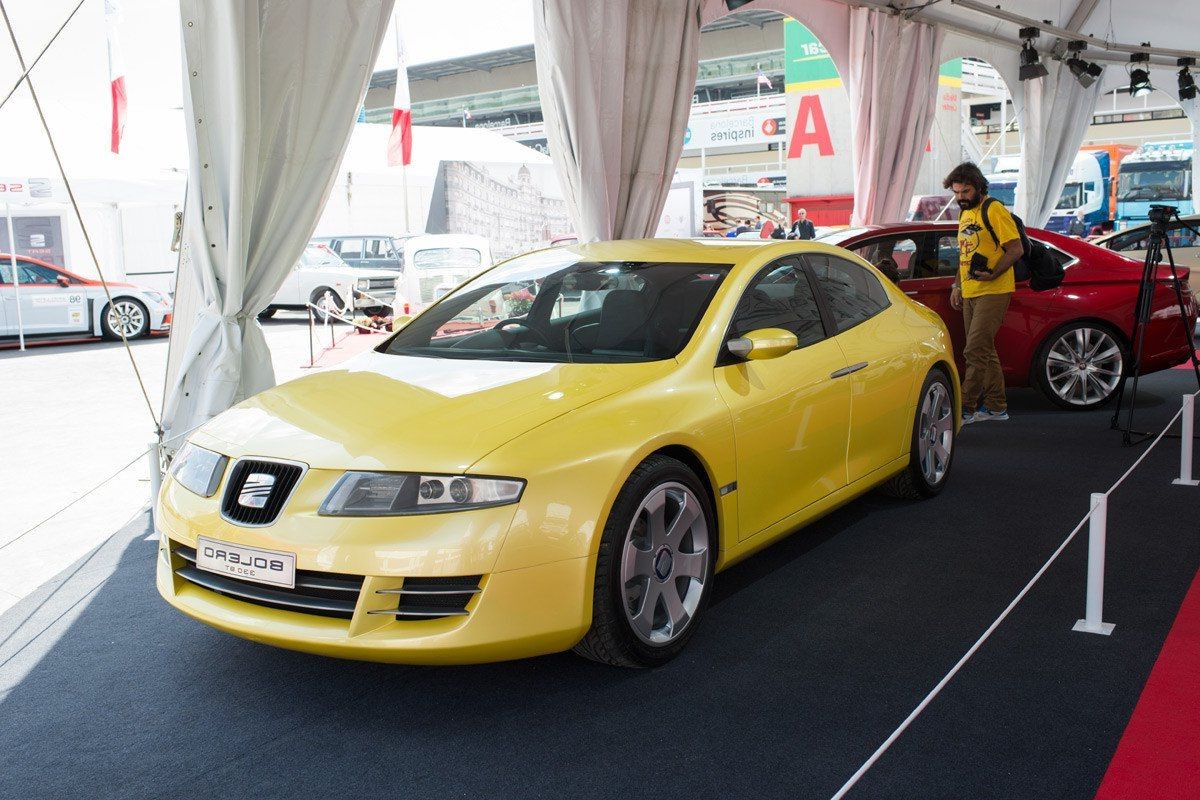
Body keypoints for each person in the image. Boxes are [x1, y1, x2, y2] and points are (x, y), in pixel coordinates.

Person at [945, 161, 1024, 424]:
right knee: (984, 351)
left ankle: (965, 408)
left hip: (994, 290)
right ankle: (996, 407)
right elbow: (963, 254)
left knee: (974, 350)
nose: (960, 198)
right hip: (970, 290)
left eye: (965, 192)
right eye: (956, 193)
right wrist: (957, 285)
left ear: (978, 187)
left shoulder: (994, 209)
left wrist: (994, 273)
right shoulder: (964, 213)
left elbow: (1015, 249)